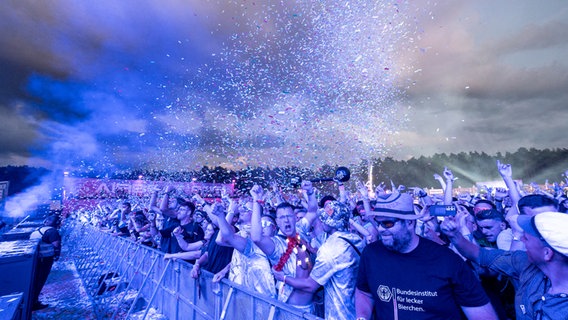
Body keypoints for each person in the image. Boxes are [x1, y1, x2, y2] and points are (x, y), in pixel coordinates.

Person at [355, 192, 497, 320]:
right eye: (378, 223)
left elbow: (481, 313)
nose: (380, 229)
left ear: (410, 222)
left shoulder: (447, 260)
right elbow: (364, 292)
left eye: (388, 223)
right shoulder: (371, 254)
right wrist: (362, 317)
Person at [441, 211, 568, 319]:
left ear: (546, 253)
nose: (521, 240)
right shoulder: (524, 262)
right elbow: (478, 254)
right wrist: (455, 235)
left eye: (527, 239)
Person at [272, 200, 365, 320]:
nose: (321, 221)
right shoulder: (355, 239)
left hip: (340, 313)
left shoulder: (330, 249)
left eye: (324, 218)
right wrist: (313, 250)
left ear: (330, 223)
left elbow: (310, 285)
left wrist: (283, 278)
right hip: (357, 308)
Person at [250, 182, 318, 312]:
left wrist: (310, 192)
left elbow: (313, 211)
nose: (286, 220)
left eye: (288, 216)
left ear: (294, 218)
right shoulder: (276, 245)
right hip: (290, 310)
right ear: (277, 222)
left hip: (311, 308)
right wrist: (256, 202)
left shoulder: (301, 230)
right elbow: (256, 237)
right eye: (282, 217)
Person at [29, 214, 62, 311]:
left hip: (36, 259)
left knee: (35, 281)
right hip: (44, 259)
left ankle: (33, 299)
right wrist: (57, 255)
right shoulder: (52, 232)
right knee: (40, 281)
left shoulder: (39, 229)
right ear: (56, 223)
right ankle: (34, 303)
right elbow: (56, 245)